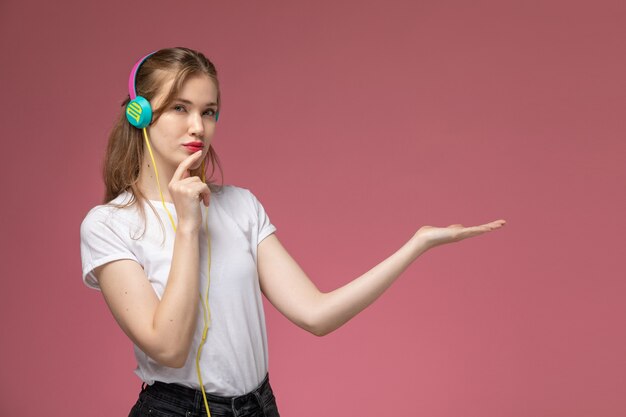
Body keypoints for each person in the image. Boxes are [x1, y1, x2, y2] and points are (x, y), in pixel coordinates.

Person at [80, 47, 506, 417]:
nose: (198, 126)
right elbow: (168, 347)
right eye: (180, 107)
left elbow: (316, 315)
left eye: (208, 112)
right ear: (140, 112)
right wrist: (188, 226)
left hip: (258, 406)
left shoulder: (240, 206)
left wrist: (417, 245)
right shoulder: (110, 225)